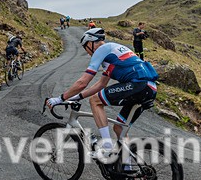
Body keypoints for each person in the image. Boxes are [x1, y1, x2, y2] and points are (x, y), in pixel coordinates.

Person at [45, 28, 159, 162]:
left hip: (138, 84)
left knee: (95, 101)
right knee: (119, 129)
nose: (87, 53)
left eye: (85, 48)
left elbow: (83, 82)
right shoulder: (111, 54)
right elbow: (101, 84)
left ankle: (107, 148)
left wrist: (60, 98)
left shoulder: (101, 50)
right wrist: (77, 97)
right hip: (149, 88)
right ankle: (127, 169)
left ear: (91, 43)